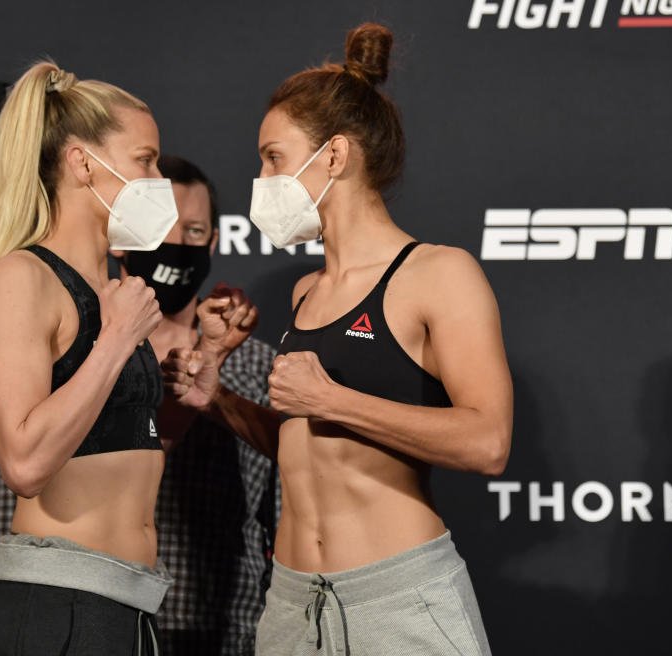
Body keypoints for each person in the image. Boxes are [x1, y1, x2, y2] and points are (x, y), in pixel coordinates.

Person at [163, 23, 513, 656]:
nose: (262, 175)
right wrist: (220, 401)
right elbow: (309, 446)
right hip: (293, 605)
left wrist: (333, 400)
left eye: (273, 156)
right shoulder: (305, 292)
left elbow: (487, 442)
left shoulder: (438, 273)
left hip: (398, 598)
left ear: (334, 155)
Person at [0, 154, 280, 656]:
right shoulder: (72, 336)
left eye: (194, 231)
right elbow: (25, 477)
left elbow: (280, 513)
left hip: (222, 625)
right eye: (165, 228)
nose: (178, 246)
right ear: (131, 232)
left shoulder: (254, 363)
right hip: (98, 609)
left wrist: (210, 357)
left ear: (214, 240)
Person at [0, 61, 175, 655]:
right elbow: (24, 463)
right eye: (145, 160)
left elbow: (116, 441)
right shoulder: (18, 278)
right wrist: (116, 340)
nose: (158, 179)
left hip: (128, 602)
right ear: (82, 163)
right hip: (58, 606)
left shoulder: (112, 284)